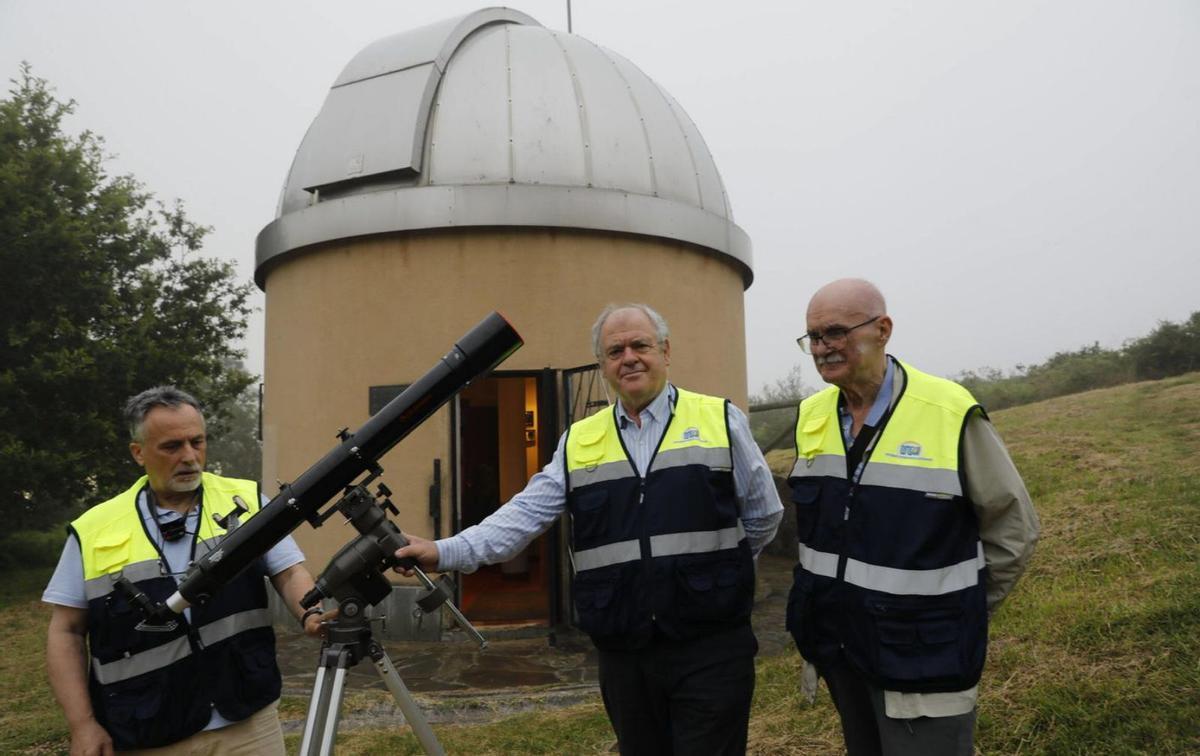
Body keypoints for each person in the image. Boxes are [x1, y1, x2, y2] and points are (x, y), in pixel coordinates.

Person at [396, 303, 783, 755]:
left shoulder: (719, 419)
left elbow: (764, 514)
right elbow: (523, 516)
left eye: (640, 345)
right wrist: (443, 551)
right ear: (602, 365)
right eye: (615, 350)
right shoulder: (579, 440)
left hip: (710, 646)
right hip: (626, 654)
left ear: (666, 351)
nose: (629, 358)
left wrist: (716, 575)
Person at [785, 279, 1039, 755]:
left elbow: (1013, 529)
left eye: (835, 332)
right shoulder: (812, 415)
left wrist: (960, 611)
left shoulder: (947, 410)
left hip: (926, 655)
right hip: (841, 649)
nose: (823, 348)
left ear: (883, 330)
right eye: (814, 337)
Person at [43, 386, 328, 755]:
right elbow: (65, 631)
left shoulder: (244, 500)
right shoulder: (94, 529)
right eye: (172, 446)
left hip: (247, 721)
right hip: (149, 729)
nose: (190, 457)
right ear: (138, 453)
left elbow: (289, 572)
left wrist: (311, 613)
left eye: (197, 442)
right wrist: (82, 725)